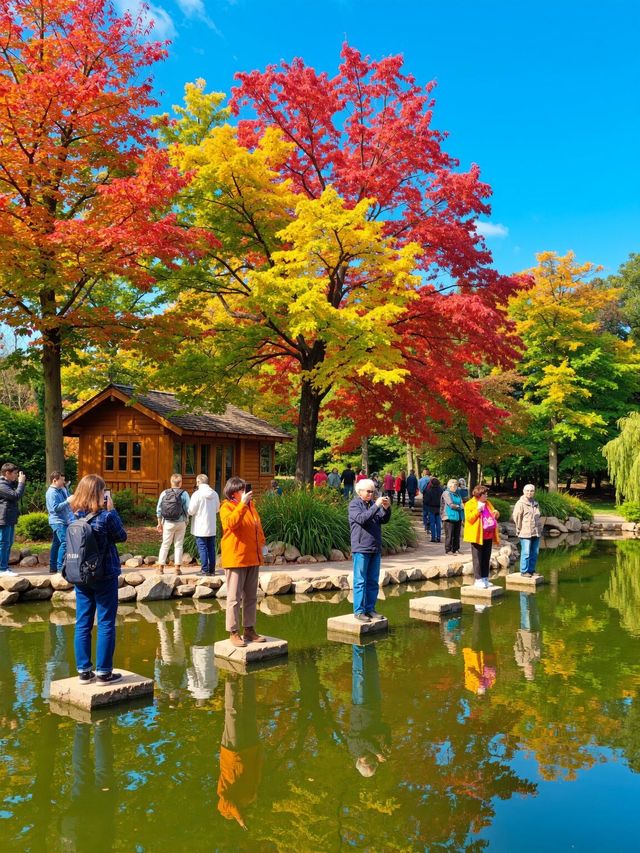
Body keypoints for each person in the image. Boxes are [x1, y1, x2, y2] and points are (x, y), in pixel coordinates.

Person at [68, 474, 127, 683]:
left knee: (82, 622)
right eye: (103, 490)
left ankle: (84, 671)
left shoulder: (74, 516)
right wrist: (112, 510)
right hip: (104, 574)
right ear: (99, 493)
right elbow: (122, 536)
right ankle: (104, 672)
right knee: (105, 623)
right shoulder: (106, 516)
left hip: (81, 576)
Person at [220, 476, 267, 648]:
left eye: (246, 489)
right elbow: (231, 524)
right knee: (234, 598)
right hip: (236, 558)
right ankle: (233, 631)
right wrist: (241, 505)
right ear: (233, 493)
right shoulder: (226, 507)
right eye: (242, 490)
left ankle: (249, 629)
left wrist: (263, 546)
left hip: (252, 558)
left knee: (251, 597)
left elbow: (257, 527)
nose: (247, 492)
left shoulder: (251, 507)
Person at [217, 674, 263, 829]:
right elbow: (257, 773)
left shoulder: (224, 808)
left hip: (233, 753)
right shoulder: (250, 798)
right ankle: (249, 677)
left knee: (233, 714)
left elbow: (229, 803)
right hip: (251, 748)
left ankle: (232, 680)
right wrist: (259, 751)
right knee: (251, 711)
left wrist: (239, 819)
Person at [348, 479, 391, 622]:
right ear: (359, 492)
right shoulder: (354, 505)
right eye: (368, 491)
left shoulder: (373, 504)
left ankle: (370, 609)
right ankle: (359, 611)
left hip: (375, 547)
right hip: (361, 548)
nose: (371, 494)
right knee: (360, 581)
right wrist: (376, 506)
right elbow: (362, 519)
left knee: (373, 581)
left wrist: (386, 508)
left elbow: (383, 520)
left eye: (373, 491)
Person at [348, 643, 391, 776]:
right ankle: (371, 643)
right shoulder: (374, 746)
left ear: (361, 763)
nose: (372, 761)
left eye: (369, 764)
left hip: (361, 705)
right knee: (373, 672)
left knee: (359, 674)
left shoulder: (355, 750)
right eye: (374, 764)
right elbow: (384, 727)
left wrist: (377, 752)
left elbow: (363, 740)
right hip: (374, 705)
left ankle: (357, 644)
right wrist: (387, 741)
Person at [463, 484, 500, 589]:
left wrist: (496, 513)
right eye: (484, 494)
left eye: (486, 494)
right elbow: (469, 519)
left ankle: (485, 578)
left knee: (486, 557)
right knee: (477, 558)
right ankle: (478, 579)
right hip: (477, 535)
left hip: (488, 535)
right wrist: (478, 510)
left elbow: (494, 515)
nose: (486, 496)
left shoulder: (487, 503)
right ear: (479, 495)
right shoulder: (470, 504)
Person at [156, 473, 190, 575]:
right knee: (178, 545)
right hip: (181, 522)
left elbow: (159, 509)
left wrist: (159, 523)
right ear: (180, 483)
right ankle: (177, 569)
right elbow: (188, 508)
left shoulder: (164, 493)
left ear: (171, 482)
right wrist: (187, 519)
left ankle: (160, 568)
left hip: (167, 522)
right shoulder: (184, 494)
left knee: (165, 544)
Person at [188, 474, 220, 577]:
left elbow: (191, 511)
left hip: (200, 526)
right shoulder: (214, 494)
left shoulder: (197, 494)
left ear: (198, 482)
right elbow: (217, 509)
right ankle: (212, 570)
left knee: (202, 547)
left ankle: (204, 570)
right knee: (211, 547)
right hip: (211, 525)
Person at [463, 605, 497, 696]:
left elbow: (469, 671)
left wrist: (479, 680)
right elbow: (495, 670)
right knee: (486, 633)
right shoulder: (491, 684)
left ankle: (478, 611)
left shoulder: (469, 685)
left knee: (477, 634)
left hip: (475, 657)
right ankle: (485, 611)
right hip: (488, 657)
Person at [0, 462, 27, 576]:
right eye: (15, 473)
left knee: (8, 543)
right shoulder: (1, 485)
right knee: (4, 543)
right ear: (7, 473)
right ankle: (2, 569)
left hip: (9, 518)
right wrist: (21, 483)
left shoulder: (8, 483)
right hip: (3, 518)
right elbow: (15, 496)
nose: (17, 475)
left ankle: (4, 568)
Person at [45, 471, 73, 574]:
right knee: (65, 542)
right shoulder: (52, 492)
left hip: (62, 520)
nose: (63, 481)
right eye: (62, 479)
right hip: (57, 521)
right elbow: (55, 508)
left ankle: (53, 567)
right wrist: (67, 501)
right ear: (55, 480)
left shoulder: (60, 490)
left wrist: (67, 490)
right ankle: (60, 568)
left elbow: (68, 497)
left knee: (56, 543)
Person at [512, 484, 542, 576]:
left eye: (532, 491)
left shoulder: (535, 503)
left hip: (536, 532)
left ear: (534, 492)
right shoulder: (520, 503)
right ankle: (524, 571)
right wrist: (519, 528)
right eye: (527, 491)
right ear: (524, 491)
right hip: (525, 532)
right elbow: (516, 517)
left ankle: (531, 570)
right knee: (526, 552)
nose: (529, 493)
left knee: (535, 552)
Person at [514, 593, 542, 681]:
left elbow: (517, 646)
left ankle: (523, 593)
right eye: (532, 672)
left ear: (525, 671)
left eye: (529, 672)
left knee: (526, 612)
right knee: (535, 612)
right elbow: (540, 644)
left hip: (525, 632)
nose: (531, 670)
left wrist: (519, 635)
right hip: (536, 632)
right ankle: (531, 594)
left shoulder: (520, 661)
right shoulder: (536, 659)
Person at [441, 478, 464, 554]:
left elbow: (461, 502)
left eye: (456, 485)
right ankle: (448, 550)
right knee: (449, 534)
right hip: (448, 516)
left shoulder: (457, 493)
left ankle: (456, 549)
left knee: (457, 534)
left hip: (458, 516)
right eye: (454, 485)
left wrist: (460, 506)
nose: (455, 487)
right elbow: (450, 504)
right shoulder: (446, 493)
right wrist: (459, 507)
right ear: (450, 486)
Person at [423, 477, 443, 543]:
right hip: (438, 508)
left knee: (432, 523)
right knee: (438, 523)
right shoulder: (441, 490)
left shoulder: (429, 491)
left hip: (431, 508)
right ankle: (439, 537)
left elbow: (426, 501)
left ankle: (433, 537)